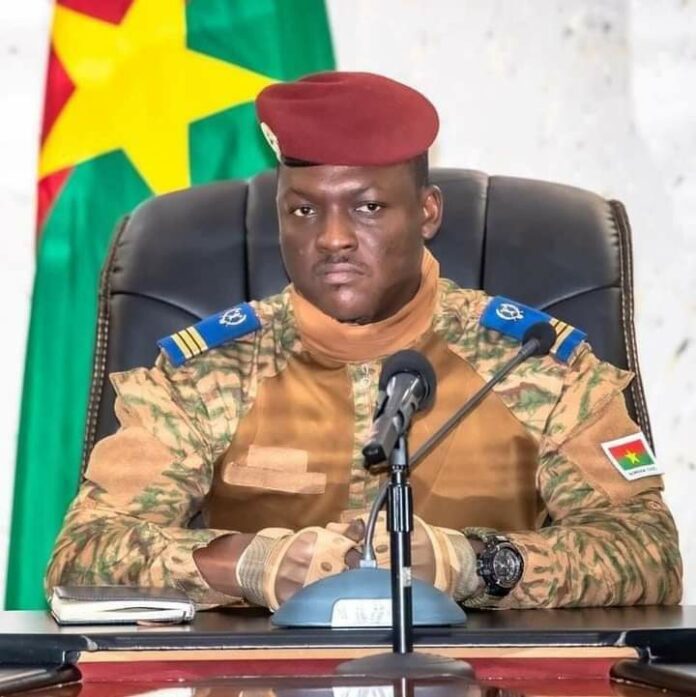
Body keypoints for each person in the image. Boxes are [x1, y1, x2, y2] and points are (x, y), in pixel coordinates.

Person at [45, 71, 682, 611]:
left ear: (427, 212)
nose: (332, 239)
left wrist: (474, 563)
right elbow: (81, 555)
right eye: (304, 210)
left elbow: (650, 553)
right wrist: (246, 562)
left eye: (368, 207)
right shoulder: (207, 373)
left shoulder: (537, 365)